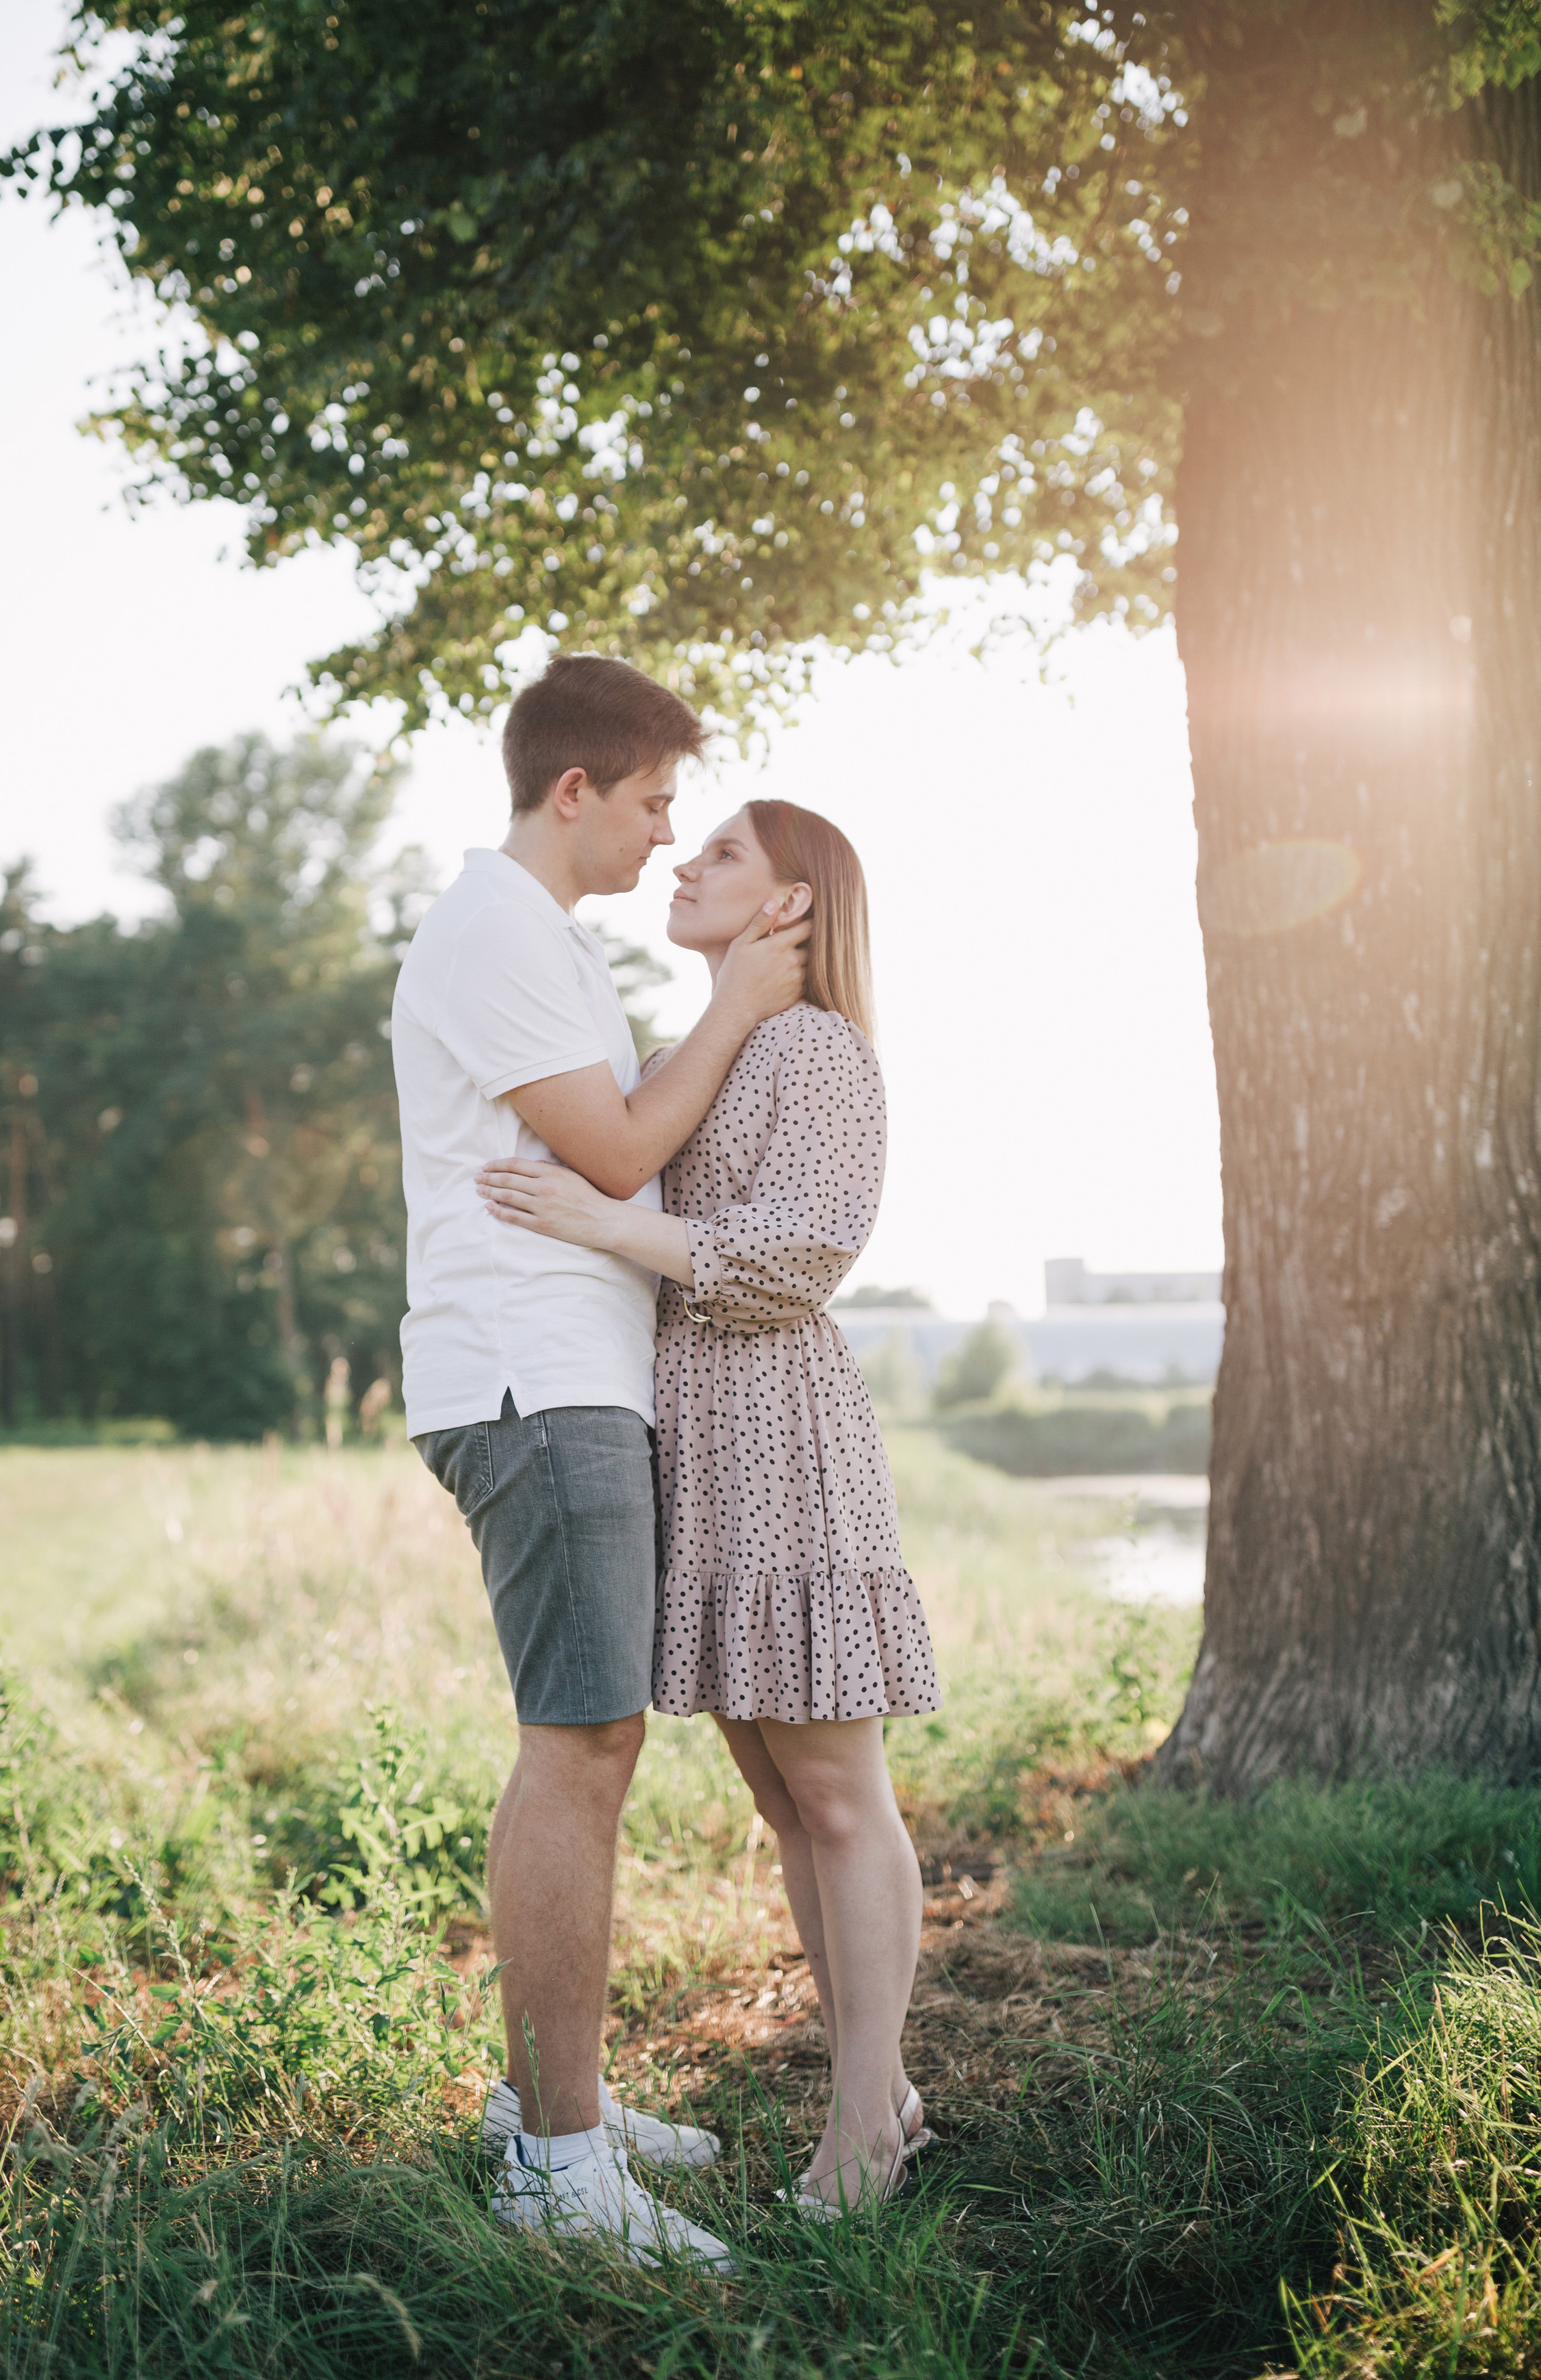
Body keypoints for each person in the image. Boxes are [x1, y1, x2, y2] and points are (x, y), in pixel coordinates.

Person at [393, 654, 809, 2268]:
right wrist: (737, 1005)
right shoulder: (493, 928)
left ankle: (547, 2100)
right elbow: (623, 1148)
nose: (660, 837)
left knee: (594, 1738)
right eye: (649, 804)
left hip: (573, 1374)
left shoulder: (542, 940)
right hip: (530, 1380)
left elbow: (617, 1143)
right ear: (575, 791)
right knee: (581, 1745)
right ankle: (559, 2171)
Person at [479, 798, 941, 2216]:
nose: (684, 863)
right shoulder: (724, 1044)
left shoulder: (813, 1046)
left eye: (723, 851)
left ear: (793, 904)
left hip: (780, 1438)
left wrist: (611, 1222)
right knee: (783, 1792)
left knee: (837, 1795)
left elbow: (802, 1253)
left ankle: (868, 2122)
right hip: (703, 1443)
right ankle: (879, 2089)